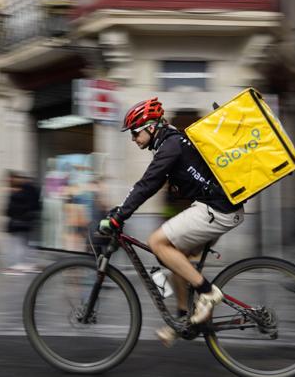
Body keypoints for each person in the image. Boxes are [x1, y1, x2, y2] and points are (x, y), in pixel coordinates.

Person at [99, 97, 245, 347]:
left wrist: (119, 216)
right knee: (174, 260)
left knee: (157, 243)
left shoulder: (171, 145)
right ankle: (184, 320)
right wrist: (121, 210)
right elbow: (148, 185)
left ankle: (208, 293)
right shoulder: (171, 143)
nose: (133, 139)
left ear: (152, 126)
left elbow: (148, 184)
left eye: (135, 133)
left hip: (215, 209)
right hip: (219, 208)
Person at [1, 171, 42, 275]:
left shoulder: (21, 192)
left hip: (19, 222)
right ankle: (26, 265)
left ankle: (17, 267)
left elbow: (11, 209)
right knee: (24, 245)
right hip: (24, 222)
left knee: (18, 245)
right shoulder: (28, 190)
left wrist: (12, 210)